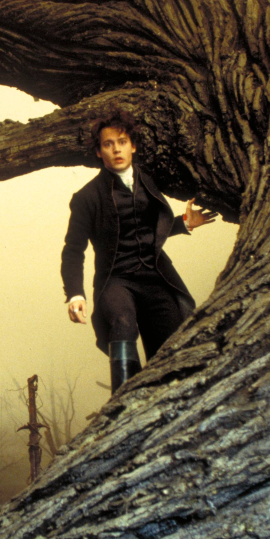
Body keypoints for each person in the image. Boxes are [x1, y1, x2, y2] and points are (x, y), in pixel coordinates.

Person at [61, 110, 218, 394]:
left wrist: (184, 222)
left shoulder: (149, 181)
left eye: (122, 142)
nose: (116, 149)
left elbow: (149, 229)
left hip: (156, 276)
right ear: (99, 151)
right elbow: (73, 250)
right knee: (122, 322)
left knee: (173, 337)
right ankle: (124, 399)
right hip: (116, 280)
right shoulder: (86, 198)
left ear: (132, 146)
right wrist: (75, 294)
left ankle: (168, 398)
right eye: (108, 144)